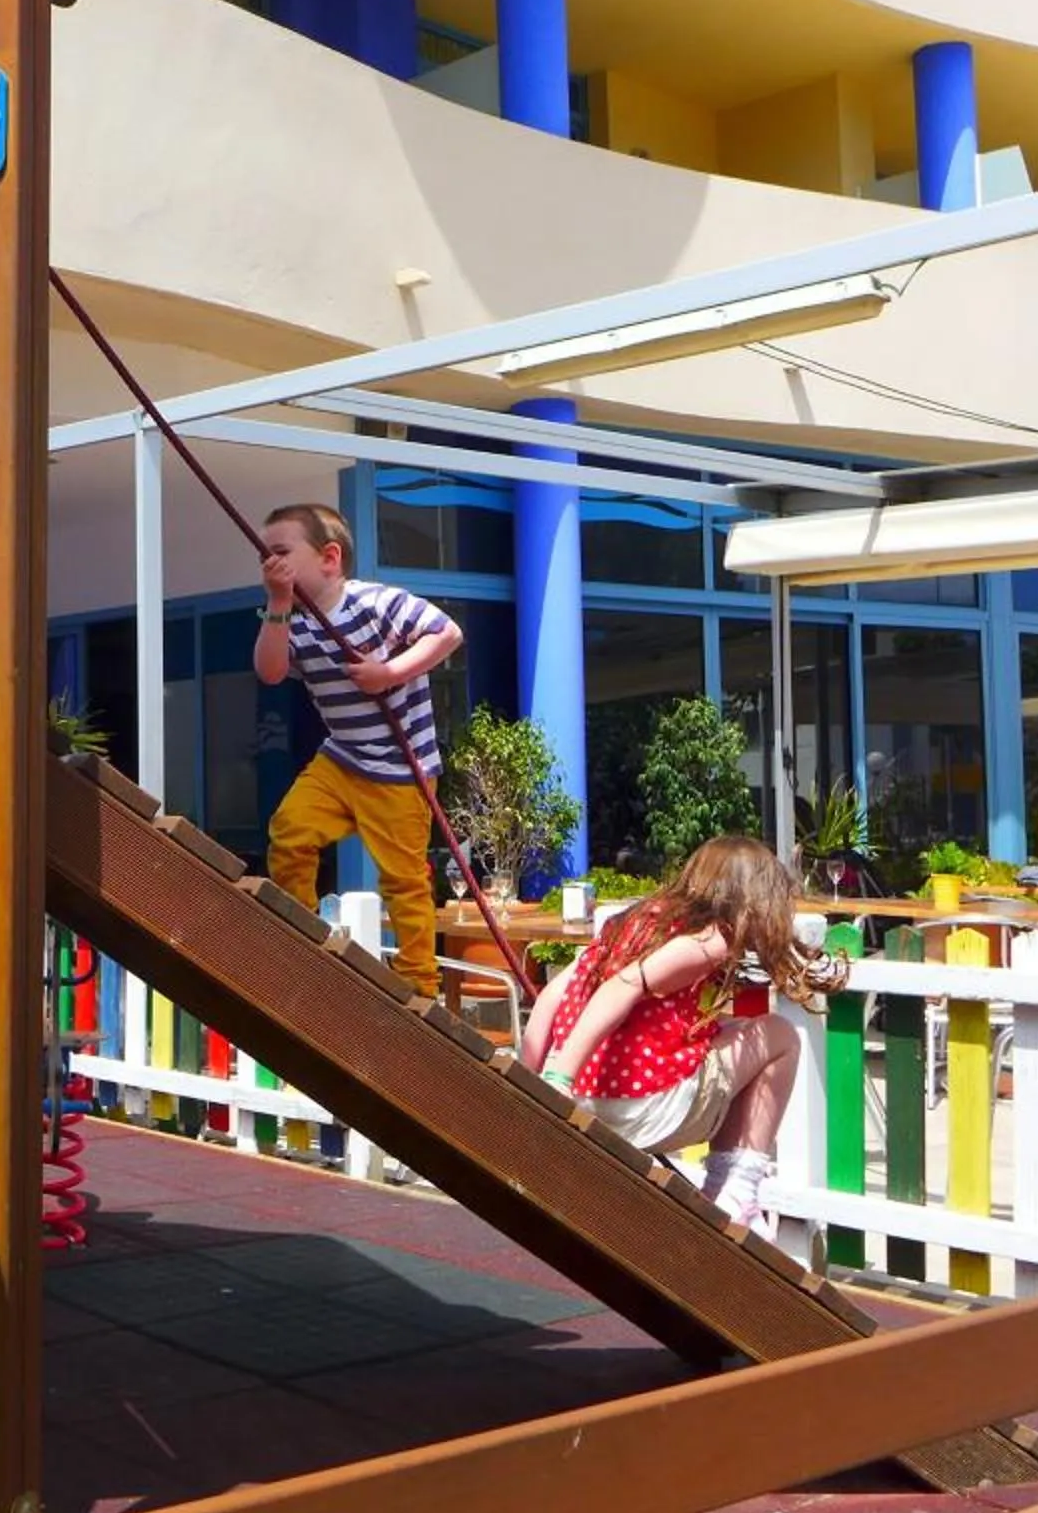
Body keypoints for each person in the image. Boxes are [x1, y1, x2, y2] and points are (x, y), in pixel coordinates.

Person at [515, 836, 848, 1226]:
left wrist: (529, 1079)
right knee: (780, 1037)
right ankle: (734, 1191)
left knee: (730, 1030)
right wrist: (558, 1079)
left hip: (588, 1096)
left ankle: (728, 1187)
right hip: (642, 1108)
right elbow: (621, 987)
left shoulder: (634, 922)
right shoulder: (708, 940)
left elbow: (554, 994)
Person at [254, 503, 465, 997]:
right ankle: (301, 933)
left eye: (281, 552)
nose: (270, 563)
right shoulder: (292, 621)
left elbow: (447, 632)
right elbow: (270, 671)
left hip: (399, 767)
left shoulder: (374, 602)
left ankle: (418, 981)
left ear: (330, 558)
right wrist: (277, 604)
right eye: (264, 556)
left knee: (403, 878)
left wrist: (388, 672)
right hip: (343, 756)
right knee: (289, 831)